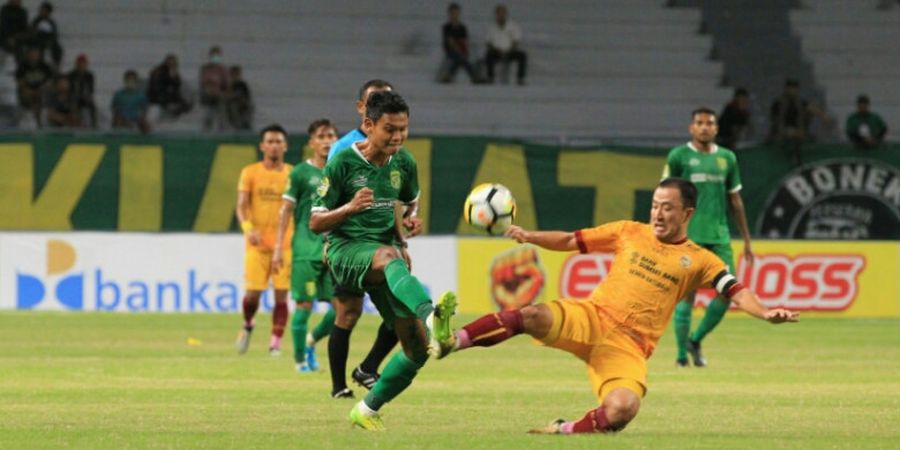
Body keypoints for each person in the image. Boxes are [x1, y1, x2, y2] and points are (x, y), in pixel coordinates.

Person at [431, 178, 798, 434]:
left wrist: (765, 312)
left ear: (687, 214)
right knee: (531, 314)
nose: (658, 214)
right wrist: (529, 236)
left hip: (629, 347)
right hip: (591, 317)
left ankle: (566, 430)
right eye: (655, 206)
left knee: (623, 409)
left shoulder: (700, 259)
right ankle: (451, 340)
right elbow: (571, 240)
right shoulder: (629, 231)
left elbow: (735, 290)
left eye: (667, 208)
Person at [310, 91, 456, 430]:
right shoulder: (343, 162)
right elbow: (316, 222)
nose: (398, 137)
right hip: (344, 251)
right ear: (368, 125)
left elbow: (408, 202)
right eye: (390, 129)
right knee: (388, 259)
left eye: (403, 129)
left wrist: (407, 227)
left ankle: (366, 410)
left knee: (417, 350)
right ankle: (433, 316)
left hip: (383, 252)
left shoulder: (404, 163)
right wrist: (349, 208)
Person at [325, 79, 412, 399]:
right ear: (364, 110)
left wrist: (403, 233)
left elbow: (394, 201)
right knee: (348, 313)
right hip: (349, 245)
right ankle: (338, 387)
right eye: (377, 100)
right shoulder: (343, 151)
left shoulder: (400, 156)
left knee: (399, 309)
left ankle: (368, 367)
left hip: (383, 243)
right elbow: (326, 202)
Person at [663, 107, 754, 367]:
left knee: (729, 293)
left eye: (709, 123)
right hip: (688, 238)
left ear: (716, 128)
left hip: (720, 238)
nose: (704, 127)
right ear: (691, 128)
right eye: (699, 123)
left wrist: (746, 239)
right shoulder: (679, 156)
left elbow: (735, 200)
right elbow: (666, 196)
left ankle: (696, 339)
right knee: (686, 295)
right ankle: (681, 357)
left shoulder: (727, 158)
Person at [272, 119, 340, 373]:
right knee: (304, 305)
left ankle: (311, 341)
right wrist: (279, 248)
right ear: (311, 143)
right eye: (321, 136)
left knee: (341, 309)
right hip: (305, 249)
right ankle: (300, 360)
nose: (327, 141)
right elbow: (285, 210)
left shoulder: (342, 171)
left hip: (333, 250)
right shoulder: (300, 172)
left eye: (331, 135)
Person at [234, 124, 294, 357]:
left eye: (278, 141)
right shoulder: (250, 172)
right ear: (262, 145)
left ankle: (275, 344)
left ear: (285, 146)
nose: (274, 145)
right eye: (270, 141)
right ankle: (248, 324)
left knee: (281, 295)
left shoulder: (293, 174)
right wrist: (248, 228)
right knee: (252, 295)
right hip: (257, 245)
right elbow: (241, 206)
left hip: (286, 244)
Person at [484, 4, 527, 85]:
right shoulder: (491, 28)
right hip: (497, 52)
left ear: (506, 14)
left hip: (510, 51)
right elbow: (488, 43)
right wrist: (497, 50)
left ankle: (520, 78)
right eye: (499, 13)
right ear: (496, 14)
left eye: (503, 13)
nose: (501, 15)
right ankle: (490, 78)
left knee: (523, 55)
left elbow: (516, 41)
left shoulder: (513, 26)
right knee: (488, 55)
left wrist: (509, 51)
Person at [439, 3, 477, 84]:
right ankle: (474, 75)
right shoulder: (446, 27)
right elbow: (450, 43)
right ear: (449, 14)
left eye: (456, 13)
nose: (455, 15)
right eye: (453, 13)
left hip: (461, 52)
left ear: (459, 14)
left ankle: (448, 75)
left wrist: (462, 50)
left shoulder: (463, 28)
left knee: (460, 58)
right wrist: (459, 49)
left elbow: (464, 42)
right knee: (460, 57)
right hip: (450, 52)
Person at [15, 46, 52, 127]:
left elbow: (49, 82)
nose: (33, 56)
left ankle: (41, 121)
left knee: (45, 94)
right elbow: (21, 84)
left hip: (41, 91)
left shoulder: (45, 66)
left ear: (39, 55)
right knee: (25, 93)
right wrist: (33, 92)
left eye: (35, 54)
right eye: (31, 53)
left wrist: (41, 90)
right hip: (29, 92)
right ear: (28, 55)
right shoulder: (22, 67)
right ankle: (31, 118)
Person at [200, 45, 229, 131]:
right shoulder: (205, 69)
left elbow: (226, 84)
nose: (215, 58)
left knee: (221, 111)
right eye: (214, 55)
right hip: (208, 95)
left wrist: (221, 92)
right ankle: (207, 129)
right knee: (209, 113)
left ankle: (222, 129)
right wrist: (209, 88)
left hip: (219, 95)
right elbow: (204, 82)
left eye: (217, 56)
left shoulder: (223, 70)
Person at [67, 54, 97, 128]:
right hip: (74, 97)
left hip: (84, 97)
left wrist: (88, 97)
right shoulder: (71, 75)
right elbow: (70, 89)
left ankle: (94, 126)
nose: (81, 65)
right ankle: (74, 126)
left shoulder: (89, 76)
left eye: (83, 63)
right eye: (80, 63)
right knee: (73, 105)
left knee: (92, 107)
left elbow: (90, 89)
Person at [30, 1, 60, 69]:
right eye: (42, 10)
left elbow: (54, 34)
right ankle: (39, 66)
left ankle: (56, 65)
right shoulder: (36, 21)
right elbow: (33, 32)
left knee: (57, 49)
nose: (43, 12)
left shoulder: (51, 22)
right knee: (39, 48)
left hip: (48, 41)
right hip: (38, 41)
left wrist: (49, 40)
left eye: (45, 11)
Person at [226, 65, 252, 130]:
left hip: (242, 106)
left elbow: (247, 97)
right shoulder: (229, 85)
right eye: (233, 74)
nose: (235, 76)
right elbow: (227, 96)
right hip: (232, 107)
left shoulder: (242, 85)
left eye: (237, 74)